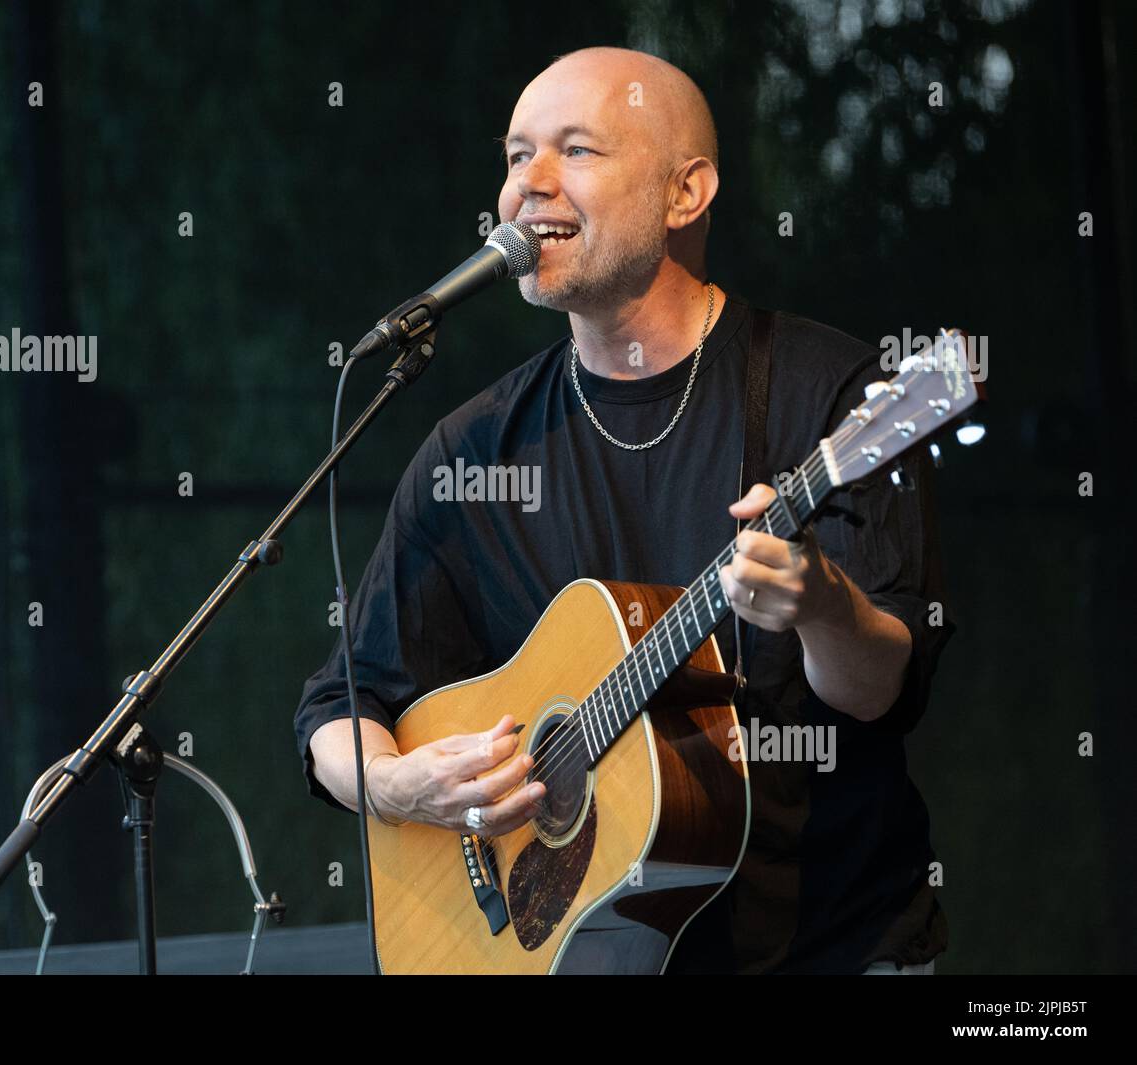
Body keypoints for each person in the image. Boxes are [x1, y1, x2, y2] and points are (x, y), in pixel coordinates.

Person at [293, 46, 953, 975]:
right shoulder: (475, 450)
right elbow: (337, 710)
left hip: (831, 948)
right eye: (518, 154)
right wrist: (403, 786)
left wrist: (818, 602)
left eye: (577, 151)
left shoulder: (829, 394)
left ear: (687, 193)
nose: (529, 186)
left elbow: (881, 685)